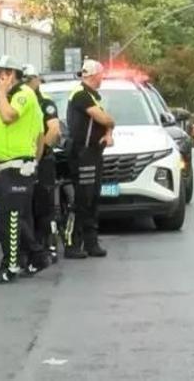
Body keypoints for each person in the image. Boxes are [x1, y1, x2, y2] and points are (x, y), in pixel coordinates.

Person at [0, 56, 50, 285]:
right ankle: (37, 255)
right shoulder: (6, 98)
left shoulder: (23, 94)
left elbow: (8, 118)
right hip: (5, 166)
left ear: (12, 75)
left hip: (18, 166)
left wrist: (2, 93)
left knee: (10, 219)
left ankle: (10, 266)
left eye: (1, 74)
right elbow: (0, 134)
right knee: (12, 218)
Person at [65, 59, 114, 259]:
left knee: (92, 198)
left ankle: (91, 242)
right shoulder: (81, 95)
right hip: (82, 154)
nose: (103, 78)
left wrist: (109, 132)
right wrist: (110, 124)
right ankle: (73, 243)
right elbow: (104, 118)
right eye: (101, 74)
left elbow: (106, 122)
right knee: (82, 199)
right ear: (93, 75)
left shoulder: (93, 96)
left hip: (93, 153)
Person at [24, 64, 62, 263]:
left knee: (44, 206)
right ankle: (28, 248)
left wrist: (39, 152)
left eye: (31, 79)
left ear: (37, 80)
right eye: (25, 79)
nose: (29, 83)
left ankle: (48, 245)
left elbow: (54, 130)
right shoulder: (18, 102)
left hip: (41, 161)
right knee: (25, 207)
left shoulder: (45, 103)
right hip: (22, 161)